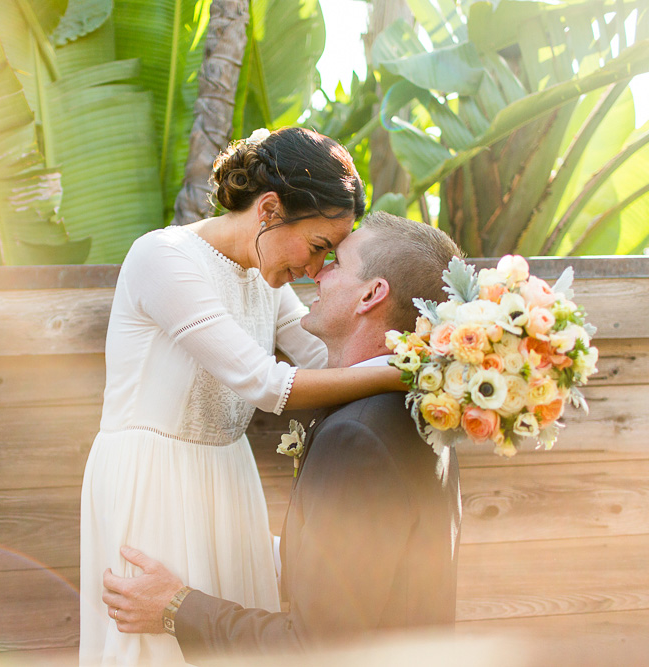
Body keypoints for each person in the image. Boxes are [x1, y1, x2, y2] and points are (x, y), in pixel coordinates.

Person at [80, 128, 406, 665]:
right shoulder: (163, 258)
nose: (313, 269)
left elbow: (323, 361)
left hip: (228, 481)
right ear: (272, 209)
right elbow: (266, 383)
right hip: (152, 479)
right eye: (318, 246)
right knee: (158, 646)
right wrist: (400, 373)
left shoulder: (262, 280)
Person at [101, 212, 464, 661]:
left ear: (371, 294)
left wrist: (176, 608)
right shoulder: (417, 412)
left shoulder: (358, 437)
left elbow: (312, 645)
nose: (316, 271)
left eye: (335, 262)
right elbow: (359, 577)